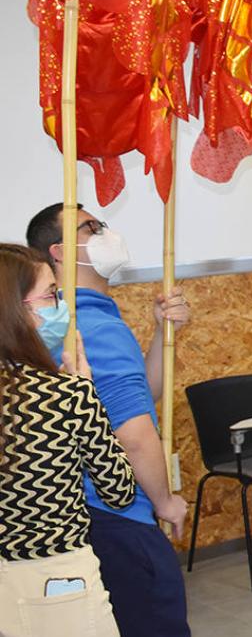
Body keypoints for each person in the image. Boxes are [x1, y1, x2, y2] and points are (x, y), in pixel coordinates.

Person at [25, 205, 191, 637]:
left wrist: (160, 333)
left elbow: (142, 395)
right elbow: (134, 434)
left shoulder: (83, 317)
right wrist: (164, 501)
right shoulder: (92, 326)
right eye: (91, 227)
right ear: (59, 251)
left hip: (83, 512)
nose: (104, 233)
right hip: (119, 513)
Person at [0, 244, 135, 637]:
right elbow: (119, 490)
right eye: (51, 295)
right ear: (18, 311)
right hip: (56, 579)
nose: (60, 305)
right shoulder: (65, 395)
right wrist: (85, 393)